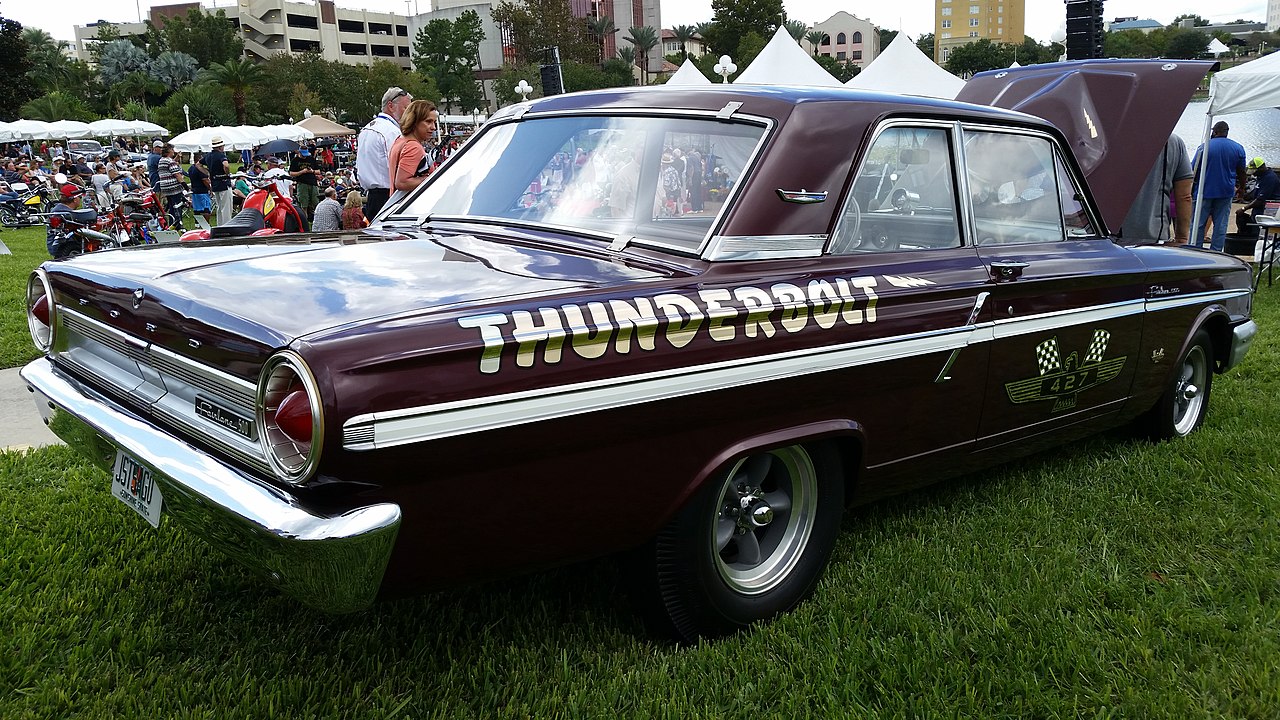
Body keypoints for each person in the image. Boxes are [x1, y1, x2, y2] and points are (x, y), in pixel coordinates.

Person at [1120, 135, 1193, 244]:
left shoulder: (1110, 135)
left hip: (1108, 235)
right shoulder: (1174, 142)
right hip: (1155, 236)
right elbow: (1184, 197)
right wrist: (1181, 238)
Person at [357, 85, 414, 219]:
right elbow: (401, 168)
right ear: (390, 105)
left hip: (373, 196)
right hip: (390, 196)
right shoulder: (392, 132)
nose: (409, 114)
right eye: (406, 108)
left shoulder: (367, 129)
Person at [1191, 121, 1247, 252]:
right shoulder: (1238, 148)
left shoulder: (1204, 147)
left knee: (1198, 224)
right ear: (1227, 132)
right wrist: (1242, 188)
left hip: (1204, 191)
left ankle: (1195, 250)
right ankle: (1216, 251)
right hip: (1225, 191)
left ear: (1214, 132)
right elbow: (1242, 172)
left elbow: (1193, 170)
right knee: (1221, 225)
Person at [387, 99, 439, 208]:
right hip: (410, 208)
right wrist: (433, 178)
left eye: (434, 122)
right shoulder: (413, 147)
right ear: (414, 121)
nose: (433, 127)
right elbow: (402, 182)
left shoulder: (400, 140)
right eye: (428, 121)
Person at [46, 184, 95, 259]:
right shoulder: (69, 214)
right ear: (75, 200)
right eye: (80, 197)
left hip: (54, 246)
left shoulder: (56, 210)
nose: (80, 199)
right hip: (67, 248)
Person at [1235, 158, 1280, 237]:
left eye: (1255, 171)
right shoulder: (1261, 177)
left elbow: (1260, 200)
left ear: (1261, 168)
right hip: (1257, 211)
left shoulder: (1270, 178)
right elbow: (1255, 192)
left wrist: (1244, 208)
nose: (1254, 174)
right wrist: (1243, 195)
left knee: (1259, 235)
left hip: (1267, 212)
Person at [155, 144, 186, 225]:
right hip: (174, 187)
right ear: (169, 151)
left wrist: (177, 158)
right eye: (172, 149)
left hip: (165, 187)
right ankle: (178, 223)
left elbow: (171, 164)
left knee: (171, 206)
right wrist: (185, 186)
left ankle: (172, 223)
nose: (174, 151)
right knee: (177, 206)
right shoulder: (170, 161)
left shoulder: (162, 160)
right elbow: (177, 175)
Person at [206, 136, 233, 224]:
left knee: (219, 207)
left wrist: (208, 172)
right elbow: (226, 165)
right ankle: (227, 226)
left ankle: (220, 225)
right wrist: (227, 174)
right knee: (226, 208)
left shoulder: (208, 156)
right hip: (223, 183)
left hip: (215, 183)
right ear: (220, 147)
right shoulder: (221, 155)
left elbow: (198, 165)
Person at [289, 147, 321, 220]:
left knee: (315, 201)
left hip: (313, 183)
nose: (305, 156)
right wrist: (302, 172)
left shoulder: (311, 159)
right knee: (304, 203)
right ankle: (305, 220)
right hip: (302, 183)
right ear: (299, 153)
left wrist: (312, 171)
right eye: (303, 155)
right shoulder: (295, 161)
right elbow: (291, 173)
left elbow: (318, 171)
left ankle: (317, 218)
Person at [188, 151, 212, 223]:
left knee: (197, 210)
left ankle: (197, 224)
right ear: (199, 158)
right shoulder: (199, 169)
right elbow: (205, 180)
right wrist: (210, 188)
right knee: (206, 209)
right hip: (202, 191)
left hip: (194, 191)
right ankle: (206, 224)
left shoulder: (191, 168)